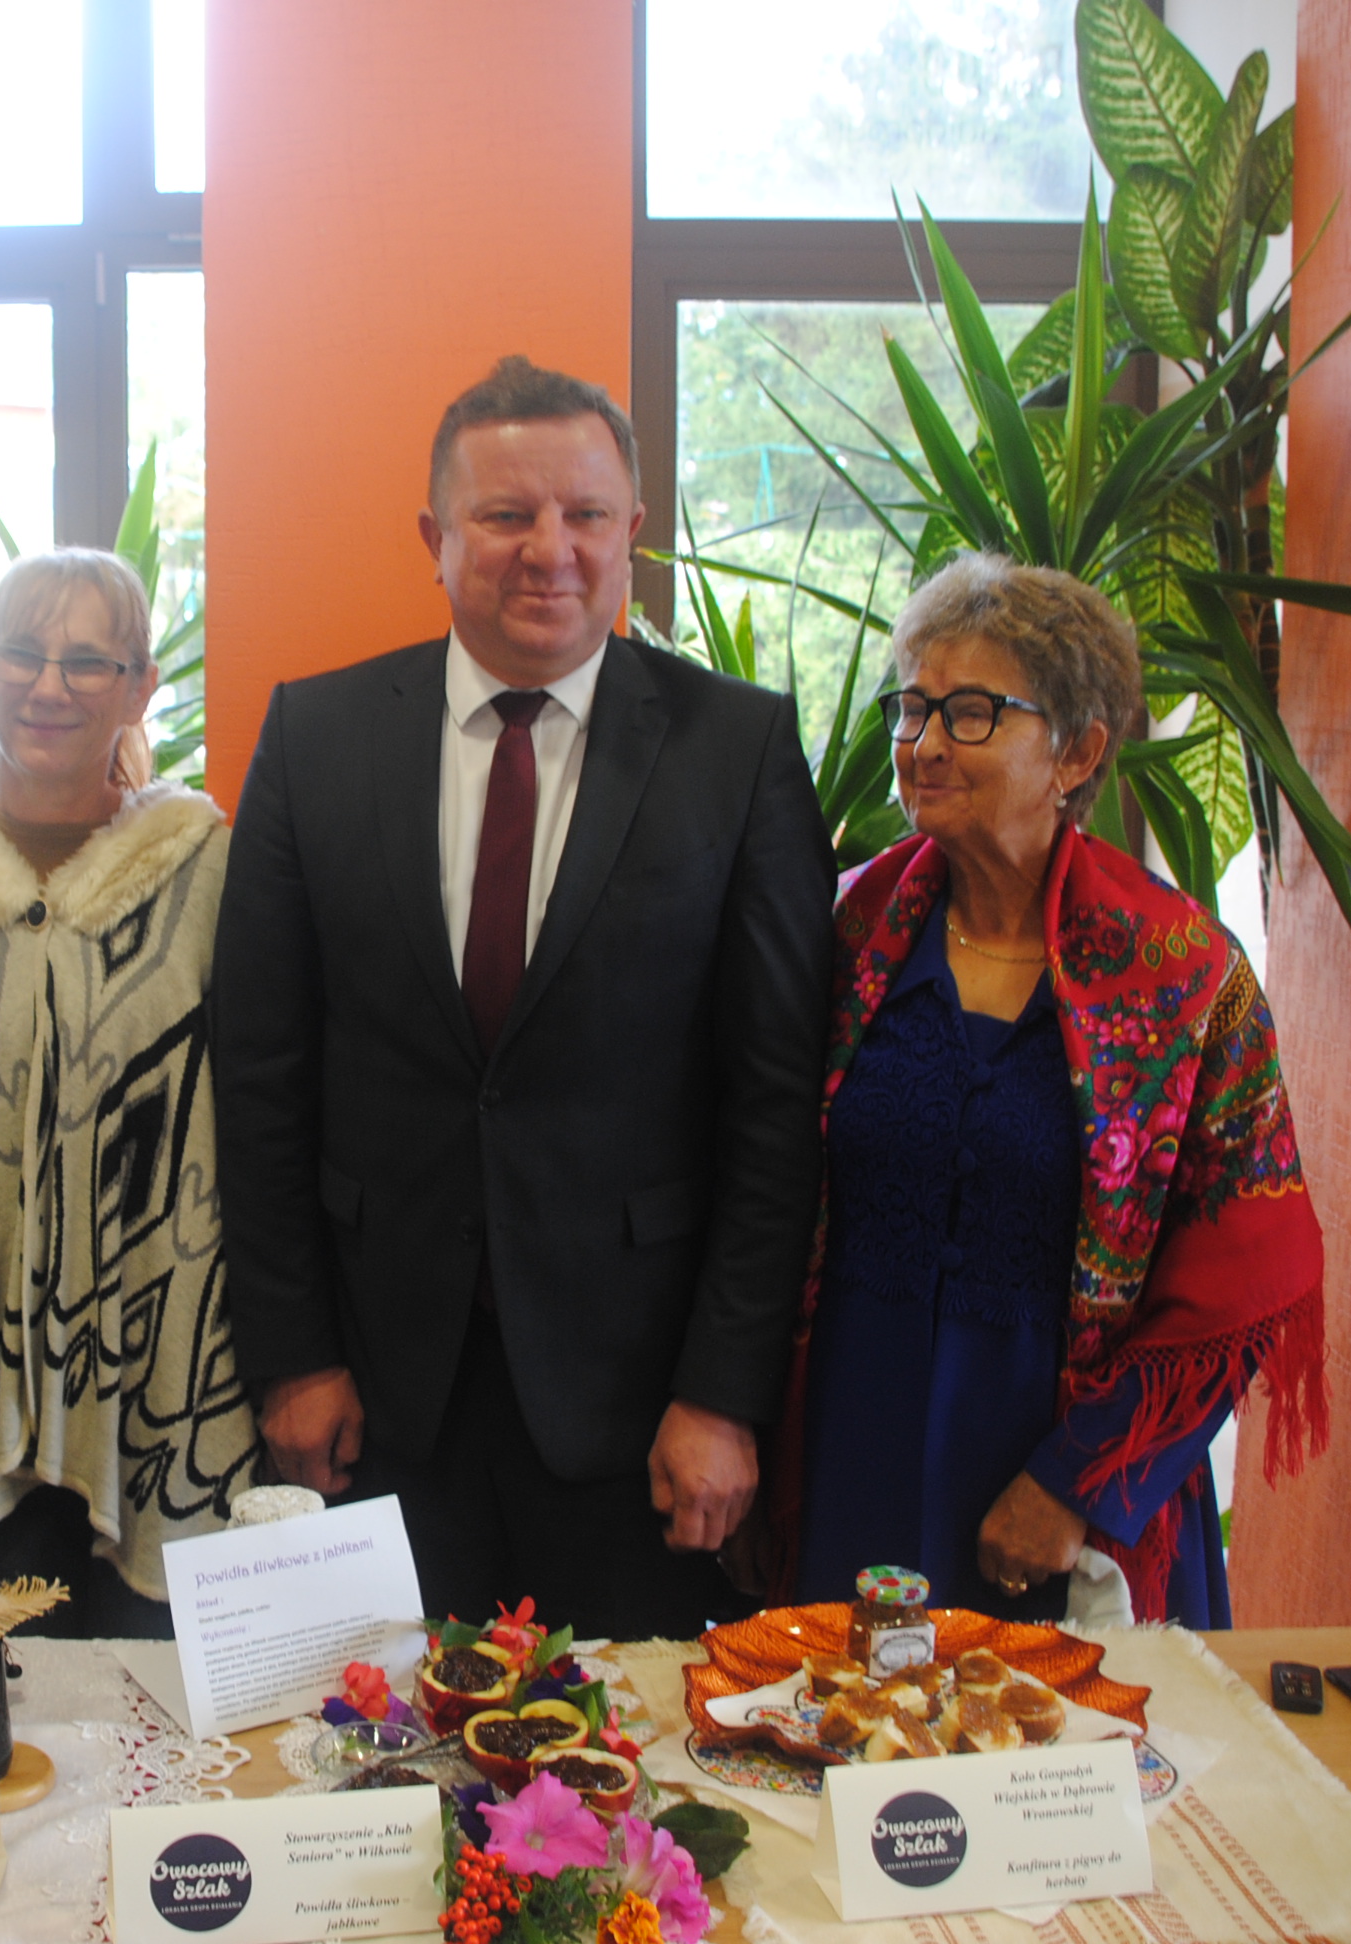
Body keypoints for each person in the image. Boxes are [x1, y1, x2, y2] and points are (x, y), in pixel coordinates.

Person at [212, 357, 835, 1638]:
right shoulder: (316, 737)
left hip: (639, 1412)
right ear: (435, 539)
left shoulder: (740, 751)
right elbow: (262, 1069)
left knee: (622, 1791)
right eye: (505, 517)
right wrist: (294, 1357)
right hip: (377, 1398)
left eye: (585, 515)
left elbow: (774, 1104)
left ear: (632, 536)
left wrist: (725, 1394)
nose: (548, 550)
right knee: (377, 1765)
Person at [788, 553, 1328, 1625]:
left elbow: (1245, 1263)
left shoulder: (1187, 975)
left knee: (1041, 1763)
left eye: (973, 712)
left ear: (1077, 752)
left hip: (1056, 1470)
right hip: (848, 1432)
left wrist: (1077, 1485)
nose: (922, 744)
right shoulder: (840, 931)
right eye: (913, 707)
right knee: (834, 1759)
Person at [0, 548, 261, 1635]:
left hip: (163, 1336)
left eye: (89, 662)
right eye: (24, 655)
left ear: (139, 687)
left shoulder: (208, 867)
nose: (49, 687)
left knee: (158, 1699)